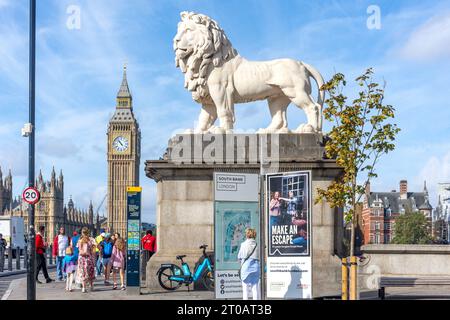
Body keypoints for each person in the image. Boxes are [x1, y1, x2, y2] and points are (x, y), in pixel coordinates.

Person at [237, 228, 260, 300]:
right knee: (255, 288)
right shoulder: (257, 245)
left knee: (245, 288)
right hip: (255, 267)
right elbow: (259, 256)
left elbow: (239, 256)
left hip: (246, 267)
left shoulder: (243, 244)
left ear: (247, 235)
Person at [76, 227, 96, 293]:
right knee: (88, 272)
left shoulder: (81, 240)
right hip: (87, 258)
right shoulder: (90, 240)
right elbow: (94, 250)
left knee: (84, 272)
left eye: (84, 232)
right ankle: (90, 286)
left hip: (83, 258)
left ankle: (85, 287)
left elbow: (79, 250)